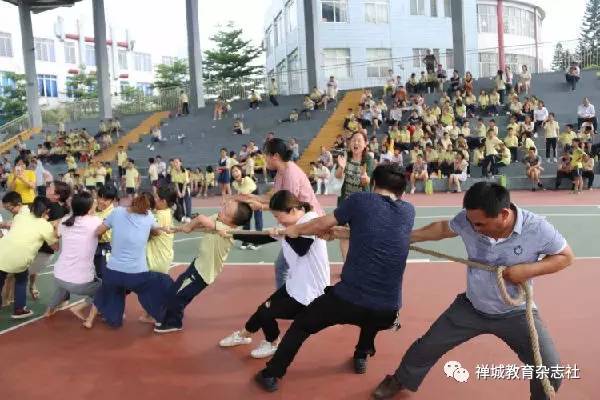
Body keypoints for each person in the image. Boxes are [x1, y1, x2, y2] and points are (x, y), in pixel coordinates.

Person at [372, 182, 572, 400]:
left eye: (480, 224)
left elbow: (565, 257)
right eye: (471, 222)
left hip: (515, 312)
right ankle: (400, 380)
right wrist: (406, 237)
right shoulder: (469, 220)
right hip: (472, 307)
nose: (474, 228)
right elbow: (443, 228)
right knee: (427, 345)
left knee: (550, 369)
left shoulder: (537, 228)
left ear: (504, 214)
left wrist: (528, 270)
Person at [254, 164, 415, 392]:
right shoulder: (409, 211)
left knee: (301, 325)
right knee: (373, 314)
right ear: (401, 191)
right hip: (389, 309)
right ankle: (361, 354)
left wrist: (295, 231)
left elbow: (321, 222)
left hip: (348, 300)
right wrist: (338, 233)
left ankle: (272, 373)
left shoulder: (360, 200)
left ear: (372, 184)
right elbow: (371, 230)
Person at [219, 190, 330, 359]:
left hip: (310, 295)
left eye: (279, 217)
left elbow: (302, 248)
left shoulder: (310, 221)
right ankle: (244, 335)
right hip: (296, 285)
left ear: (292, 211)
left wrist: (285, 233)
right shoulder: (290, 225)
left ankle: (273, 343)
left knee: (266, 312)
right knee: (262, 309)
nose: (278, 221)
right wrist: (231, 233)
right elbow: (261, 238)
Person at [235, 138, 323, 289]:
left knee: (286, 266)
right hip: (298, 222)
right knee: (286, 266)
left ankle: (287, 301)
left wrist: (261, 207)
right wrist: (250, 197)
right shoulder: (282, 172)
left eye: (265, 155)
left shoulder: (291, 174)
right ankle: (287, 300)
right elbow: (273, 197)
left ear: (274, 156)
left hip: (308, 223)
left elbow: (287, 206)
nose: (263, 159)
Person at [154, 199, 253, 333]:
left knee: (177, 294)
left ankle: (174, 322)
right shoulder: (218, 220)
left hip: (203, 273)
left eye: (225, 211)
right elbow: (201, 226)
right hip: (198, 264)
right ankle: (171, 316)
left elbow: (200, 219)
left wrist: (188, 226)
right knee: (179, 290)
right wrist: (178, 229)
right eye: (225, 206)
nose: (221, 210)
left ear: (232, 223)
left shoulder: (228, 231)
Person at [91, 193, 174, 328]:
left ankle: (113, 319)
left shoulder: (117, 212)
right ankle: (161, 316)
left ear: (132, 201)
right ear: (147, 208)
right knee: (158, 284)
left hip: (113, 271)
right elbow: (157, 232)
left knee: (114, 289)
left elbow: (98, 231)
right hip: (136, 274)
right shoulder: (148, 217)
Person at [44, 192, 102, 326]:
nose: (96, 204)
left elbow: (55, 234)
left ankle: (49, 310)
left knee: (63, 285)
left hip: (59, 275)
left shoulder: (65, 220)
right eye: (94, 203)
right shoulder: (95, 221)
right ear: (88, 208)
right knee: (104, 288)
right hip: (80, 283)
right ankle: (80, 308)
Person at [0, 193, 57, 319]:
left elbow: (15, 221)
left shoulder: (22, 213)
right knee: (21, 279)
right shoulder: (45, 226)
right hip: (20, 259)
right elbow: (55, 247)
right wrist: (57, 232)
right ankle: (19, 310)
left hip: (1, 251)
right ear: (46, 211)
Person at [140, 187, 178, 324]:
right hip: (162, 256)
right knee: (156, 288)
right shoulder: (165, 212)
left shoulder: (160, 217)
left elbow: (147, 234)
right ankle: (148, 314)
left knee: (152, 289)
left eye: (156, 198)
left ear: (163, 201)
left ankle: (158, 315)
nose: (154, 200)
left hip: (157, 258)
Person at [334, 131, 375, 259]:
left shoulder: (368, 159)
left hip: (363, 204)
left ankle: (360, 265)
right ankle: (346, 266)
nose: (355, 143)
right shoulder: (345, 156)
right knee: (343, 235)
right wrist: (341, 167)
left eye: (359, 140)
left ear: (365, 144)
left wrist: (365, 178)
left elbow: (367, 181)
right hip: (345, 203)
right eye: (353, 140)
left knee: (361, 236)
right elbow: (337, 176)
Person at [230, 165, 263, 250]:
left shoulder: (247, 180)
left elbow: (244, 195)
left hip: (255, 196)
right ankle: (246, 240)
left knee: (257, 218)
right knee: (245, 219)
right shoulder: (234, 183)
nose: (235, 173)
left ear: (241, 171)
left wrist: (233, 200)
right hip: (245, 198)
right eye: (233, 172)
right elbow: (239, 195)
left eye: (236, 170)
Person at [94, 185, 117, 279]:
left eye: (105, 199)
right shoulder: (93, 207)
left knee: (104, 273)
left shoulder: (113, 213)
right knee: (97, 271)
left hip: (106, 246)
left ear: (113, 200)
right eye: (100, 197)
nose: (101, 201)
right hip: (93, 244)